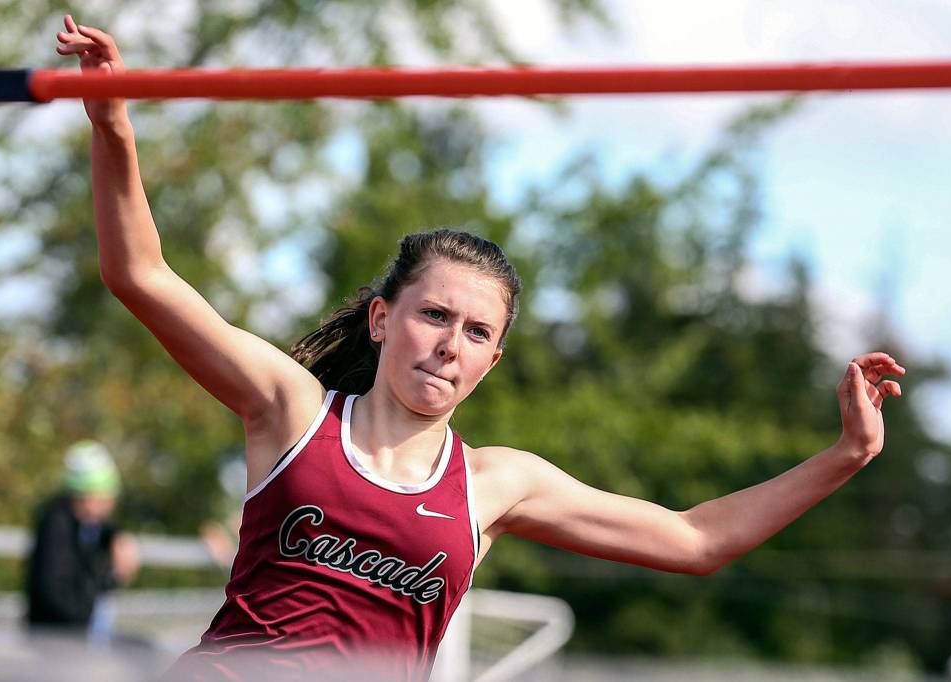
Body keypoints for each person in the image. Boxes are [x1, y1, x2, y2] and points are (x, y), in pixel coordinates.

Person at [55, 15, 906, 682]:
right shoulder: (293, 411)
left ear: (492, 360)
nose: (449, 345)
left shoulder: (498, 483)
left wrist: (846, 454)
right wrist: (114, 129)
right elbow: (140, 274)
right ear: (383, 319)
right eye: (433, 316)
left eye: (476, 332)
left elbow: (695, 541)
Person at [25, 440, 140, 645]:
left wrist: (119, 536)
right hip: (55, 647)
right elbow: (63, 601)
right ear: (90, 496)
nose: (112, 503)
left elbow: (104, 529)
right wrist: (113, 578)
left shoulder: (80, 522)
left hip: (67, 642)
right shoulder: (56, 528)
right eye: (108, 497)